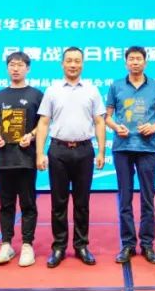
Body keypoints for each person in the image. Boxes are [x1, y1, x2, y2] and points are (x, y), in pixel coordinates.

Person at [35, 47, 107, 268]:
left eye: (77, 61)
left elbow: (99, 121)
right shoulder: (52, 90)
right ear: (62, 64)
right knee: (58, 202)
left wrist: (102, 151)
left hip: (84, 151)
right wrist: (39, 153)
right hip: (58, 150)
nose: (73, 65)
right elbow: (44, 122)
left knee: (82, 202)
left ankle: (81, 245)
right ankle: (58, 246)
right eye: (69, 61)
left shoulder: (92, 90)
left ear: (82, 64)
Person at [105, 46, 155, 265]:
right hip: (122, 147)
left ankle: (147, 244)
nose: (135, 62)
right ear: (126, 63)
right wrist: (116, 127)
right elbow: (107, 116)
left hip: (147, 148)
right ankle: (128, 244)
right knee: (125, 198)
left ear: (145, 62)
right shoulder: (116, 86)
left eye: (139, 59)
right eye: (131, 59)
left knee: (148, 198)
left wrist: (154, 126)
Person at [0, 51, 44, 267]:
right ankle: (6, 244)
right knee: (6, 204)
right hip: (3, 158)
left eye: (20, 65)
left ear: (27, 68)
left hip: (26, 158)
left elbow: (43, 124)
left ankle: (28, 245)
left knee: (28, 203)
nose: (15, 68)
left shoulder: (36, 95)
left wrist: (31, 135)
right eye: (12, 64)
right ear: (7, 68)